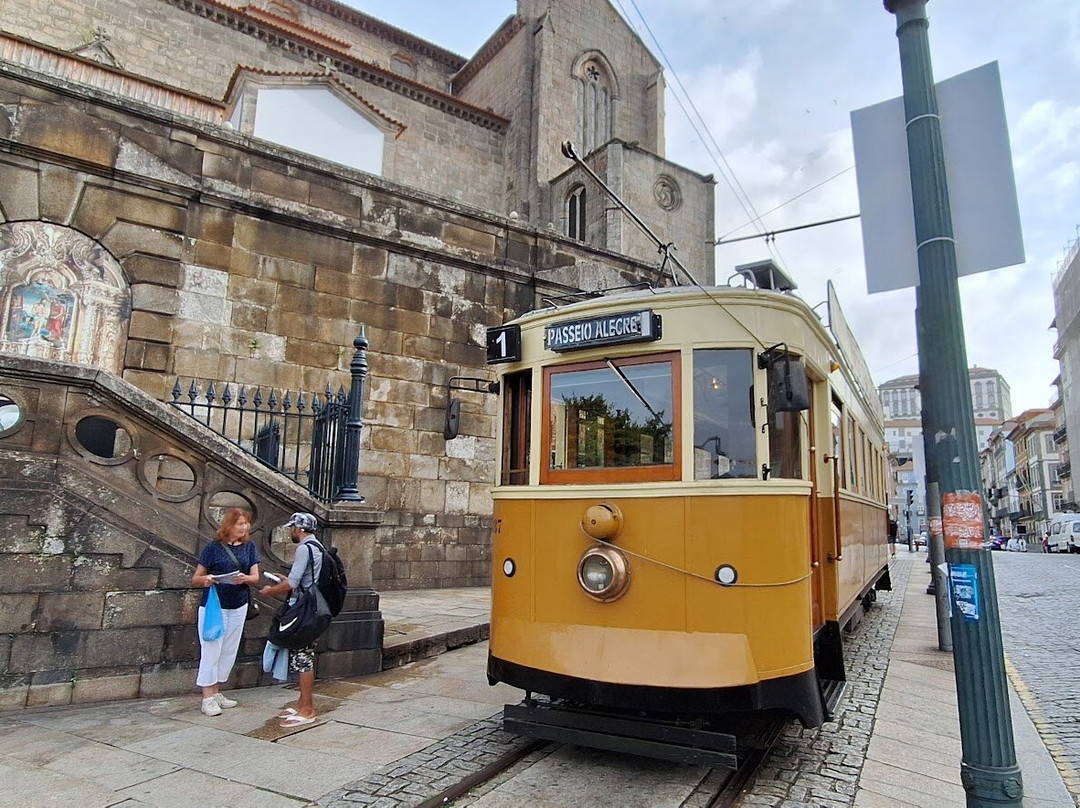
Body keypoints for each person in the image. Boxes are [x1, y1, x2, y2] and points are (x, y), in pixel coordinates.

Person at [191, 507, 261, 716]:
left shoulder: (249, 547)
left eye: (246, 523)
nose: (244, 527)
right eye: (240, 523)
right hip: (215, 605)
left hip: (238, 603)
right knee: (211, 648)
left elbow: (256, 576)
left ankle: (217, 691)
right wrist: (207, 580)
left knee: (228, 649)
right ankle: (207, 697)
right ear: (229, 525)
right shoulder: (213, 548)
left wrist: (246, 579)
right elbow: (196, 578)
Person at [259, 512, 323, 728]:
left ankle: (307, 710)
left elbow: (293, 583)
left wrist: (271, 590)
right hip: (313, 607)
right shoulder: (318, 547)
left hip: (302, 610)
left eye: (292, 528)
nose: (291, 532)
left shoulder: (305, 548)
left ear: (299, 529)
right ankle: (301, 703)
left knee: (303, 658)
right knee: (303, 655)